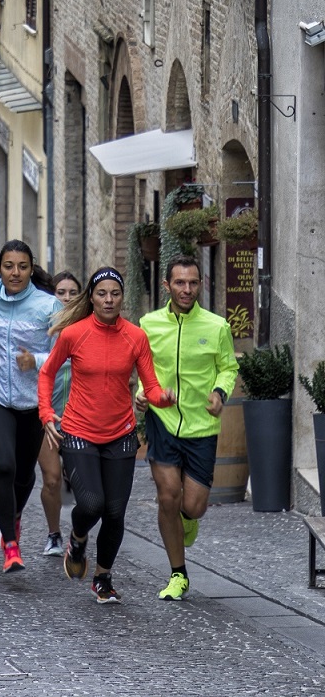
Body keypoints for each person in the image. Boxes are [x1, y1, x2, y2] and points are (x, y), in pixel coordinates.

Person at [38, 266, 176, 604]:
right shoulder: (74, 333)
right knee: (91, 504)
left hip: (121, 434)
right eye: (102, 294)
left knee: (114, 512)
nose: (109, 299)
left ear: (122, 297)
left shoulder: (135, 337)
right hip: (79, 431)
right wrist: (46, 413)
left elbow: (151, 385)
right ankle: (78, 537)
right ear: (92, 297)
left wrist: (162, 398)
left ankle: (102, 578)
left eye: (115, 294)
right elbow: (47, 373)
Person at [137, 254, 239, 601]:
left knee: (193, 506)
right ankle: (178, 574)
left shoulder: (216, 326)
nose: (187, 289)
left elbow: (228, 367)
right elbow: (143, 367)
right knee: (167, 495)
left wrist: (219, 392)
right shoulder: (149, 324)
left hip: (201, 425)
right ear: (166, 285)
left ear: (201, 285)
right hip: (162, 419)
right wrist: (143, 393)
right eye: (179, 282)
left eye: (193, 282)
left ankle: (188, 518)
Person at [0, 240, 59, 573]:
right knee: (5, 465)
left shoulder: (48, 305)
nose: (15, 273)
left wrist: (35, 360)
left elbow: (64, 356)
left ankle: (15, 514)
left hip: (33, 401)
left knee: (24, 475)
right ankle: (10, 544)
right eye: (8, 266)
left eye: (23, 266)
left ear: (31, 268)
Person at [37, 270, 80, 557]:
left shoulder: (90, 326)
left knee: (81, 484)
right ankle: (54, 534)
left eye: (72, 293)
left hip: (80, 416)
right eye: (60, 292)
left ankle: (79, 534)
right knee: (51, 478)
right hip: (47, 415)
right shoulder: (42, 327)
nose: (66, 298)